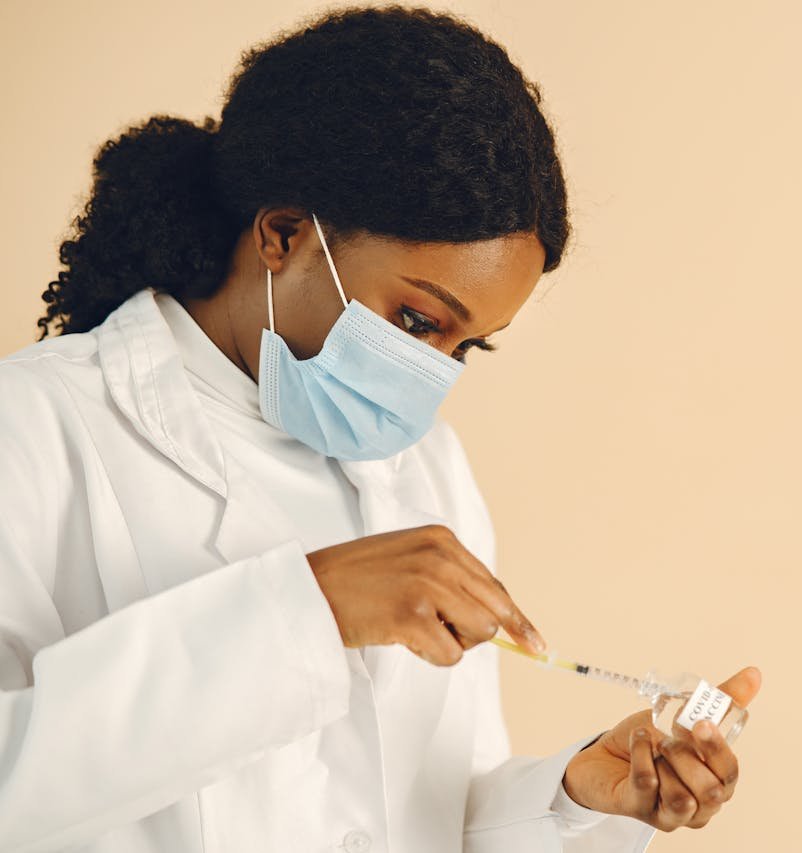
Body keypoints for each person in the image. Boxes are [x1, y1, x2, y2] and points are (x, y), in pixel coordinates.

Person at [0, 5, 762, 852]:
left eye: (466, 346)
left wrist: (576, 800)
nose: (431, 375)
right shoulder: (34, 430)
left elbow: (424, 807)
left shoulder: (424, 469)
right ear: (283, 235)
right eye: (417, 320)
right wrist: (306, 611)